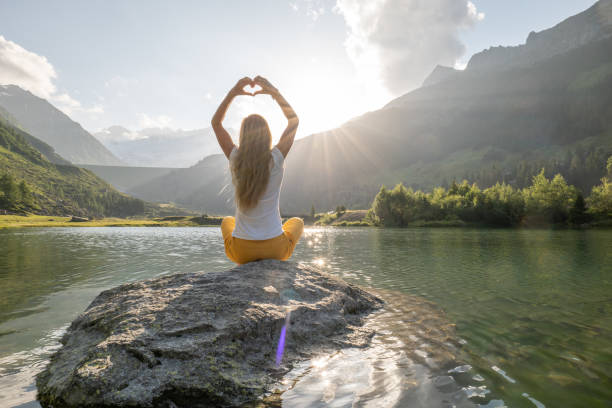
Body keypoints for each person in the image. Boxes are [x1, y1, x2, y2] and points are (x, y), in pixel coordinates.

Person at [212, 75, 303, 264]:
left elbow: (216, 124)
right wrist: (273, 93)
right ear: (267, 135)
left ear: (243, 135)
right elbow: (294, 121)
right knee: (297, 222)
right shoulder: (276, 158)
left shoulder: (235, 158)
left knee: (227, 221)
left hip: (242, 252)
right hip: (276, 250)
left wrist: (233, 93)